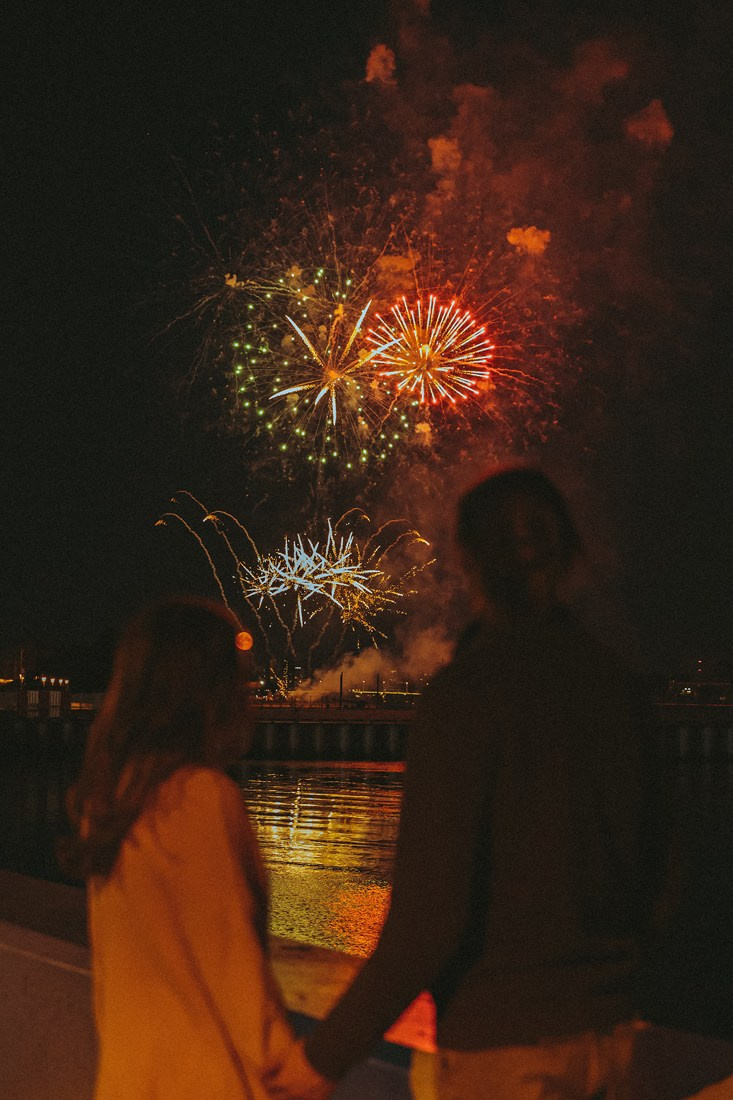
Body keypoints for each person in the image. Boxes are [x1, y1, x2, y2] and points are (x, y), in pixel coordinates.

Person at [269, 464, 669, 1100]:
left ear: (469, 563)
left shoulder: (465, 697)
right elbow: (658, 884)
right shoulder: (621, 688)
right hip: (619, 1046)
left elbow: (428, 924)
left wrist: (323, 1060)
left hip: (504, 1056)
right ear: (569, 552)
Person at [63, 596, 332, 1100]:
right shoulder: (202, 798)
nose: (247, 692)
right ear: (207, 691)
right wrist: (302, 1071)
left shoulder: (110, 804)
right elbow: (235, 974)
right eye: (238, 677)